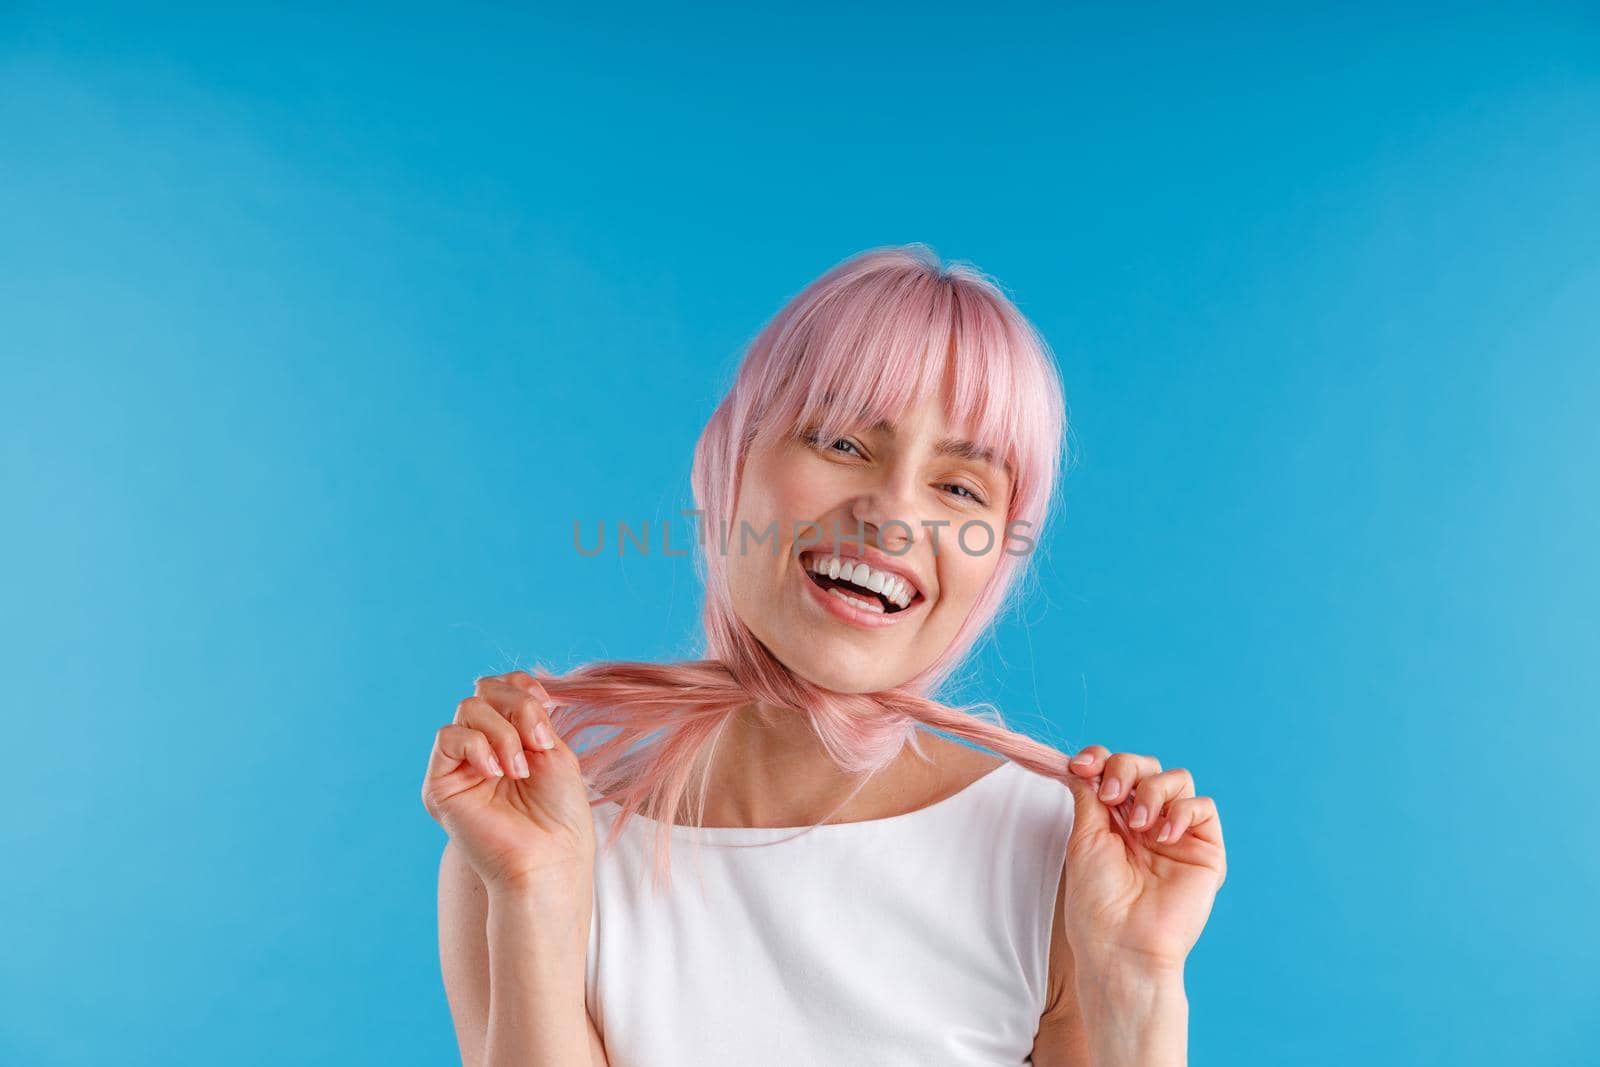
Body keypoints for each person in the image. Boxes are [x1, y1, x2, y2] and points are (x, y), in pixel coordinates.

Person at [421, 244, 1227, 1066]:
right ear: (727, 462)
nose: (893, 516)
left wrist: (1137, 980)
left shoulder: (1060, 860)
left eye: (960, 488)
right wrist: (535, 894)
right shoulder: (538, 835)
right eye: (842, 442)